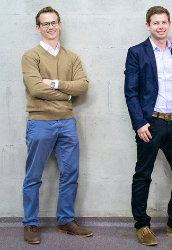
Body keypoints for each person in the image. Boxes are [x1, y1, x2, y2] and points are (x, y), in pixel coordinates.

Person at [123, 6, 172, 246]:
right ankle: (142, 225)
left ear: (169, 24)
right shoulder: (136, 52)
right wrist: (140, 123)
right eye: (155, 22)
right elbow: (130, 92)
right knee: (143, 174)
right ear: (148, 25)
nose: (160, 26)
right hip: (150, 123)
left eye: (164, 22)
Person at [21, 6, 92, 244]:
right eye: (45, 24)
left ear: (60, 25)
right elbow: (34, 89)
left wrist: (52, 83)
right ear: (38, 28)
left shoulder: (72, 57)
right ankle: (30, 224)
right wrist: (67, 94)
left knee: (70, 173)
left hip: (67, 124)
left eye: (53, 23)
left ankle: (65, 220)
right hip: (40, 123)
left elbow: (82, 86)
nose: (50, 27)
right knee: (33, 176)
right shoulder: (31, 56)